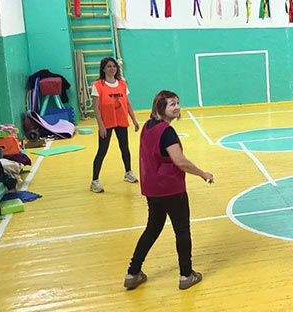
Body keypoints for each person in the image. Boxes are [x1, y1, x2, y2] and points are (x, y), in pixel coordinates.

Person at [124, 90, 214, 291]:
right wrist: (202, 173)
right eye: (172, 104)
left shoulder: (148, 126)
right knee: (182, 231)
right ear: (160, 107)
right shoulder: (166, 132)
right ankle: (186, 275)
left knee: (152, 229)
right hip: (170, 188)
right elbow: (180, 161)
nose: (177, 107)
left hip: (152, 188)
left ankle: (133, 272)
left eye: (178, 103)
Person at [90, 57, 140, 193]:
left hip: (121, 121)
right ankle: (94, 181)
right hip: (107, 123)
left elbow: (127, 103)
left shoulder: (122, 84)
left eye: (114, 66)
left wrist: (134, 120)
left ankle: (128, 172)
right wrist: (101, 126)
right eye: (109, 66)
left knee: (125, 148)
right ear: (103, 69)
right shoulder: (97, 85)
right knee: (102, 151)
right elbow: (96, 108)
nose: (112, 69)